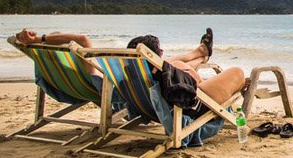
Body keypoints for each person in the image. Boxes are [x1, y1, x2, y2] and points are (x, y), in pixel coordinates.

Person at [15, 28, 246, 105]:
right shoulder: (106, 83)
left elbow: (76, 43)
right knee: (237, 73)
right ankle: (200, 56)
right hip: (181, 98)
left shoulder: (107, 78)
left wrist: (41, 40)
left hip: (139, 96)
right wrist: (40, 38)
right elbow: (83, 39)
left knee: (175, 64)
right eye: (159, 54)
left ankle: (200, 55)